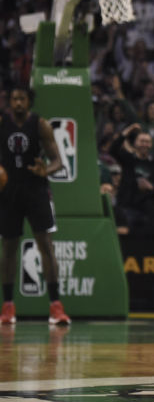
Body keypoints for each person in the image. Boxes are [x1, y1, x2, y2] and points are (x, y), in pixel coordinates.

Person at [0, 86, 70, 326]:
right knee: (9, 249)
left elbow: (59, 161)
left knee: (46, 248)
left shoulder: (41, 125)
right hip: (8, 192)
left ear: (29, 102)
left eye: (21, 99)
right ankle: (7, 307)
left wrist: (45, 170)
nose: (17, 103)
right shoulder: (2, 122)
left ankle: (56, 307)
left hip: (36, 190)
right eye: (13, 99)